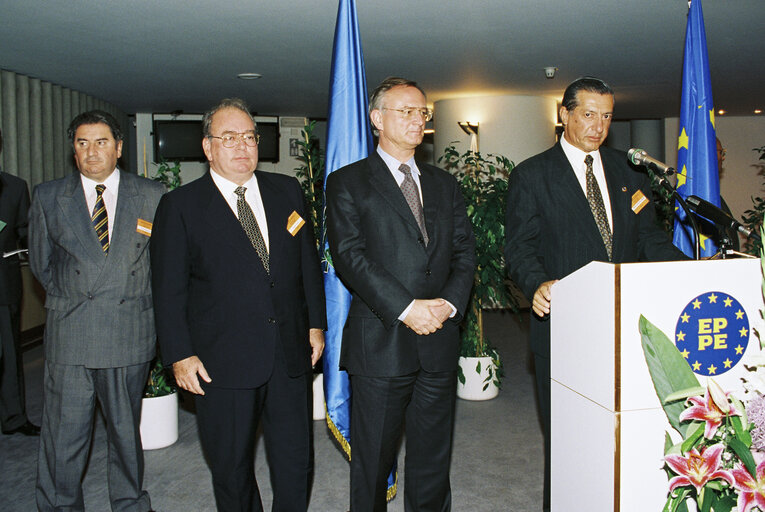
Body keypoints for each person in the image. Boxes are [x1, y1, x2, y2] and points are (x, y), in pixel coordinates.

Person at [504, 76, 687, 511]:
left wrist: (689, 274)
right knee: (568, 438)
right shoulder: (532, 175)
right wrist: (537, 284)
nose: (598, 126)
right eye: (588, 115)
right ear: (563, 114)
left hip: (624, 326)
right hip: (565, 325)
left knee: (621, 433)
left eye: (606, 116)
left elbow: (650, 239)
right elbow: (519, 249)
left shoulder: (629, 170)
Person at [150, 98, 326, 512]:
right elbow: (167, 290)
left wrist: (315, 324)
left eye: (249, 137)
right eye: (229, 138)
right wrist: (179, 354)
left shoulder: (287, 191)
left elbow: (306, 265)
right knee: (230, 467)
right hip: (220, 361)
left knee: (296, 460)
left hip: (288, 353)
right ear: (208, 147)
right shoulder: (180, 206)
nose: (242, 146)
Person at [325, 77, 476, 511]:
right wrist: (408, 308)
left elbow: (465, 252)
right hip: (381, 344)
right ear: (377, 119)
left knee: (432, 460)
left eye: (422, 112)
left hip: (440, 340)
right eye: (406, 111)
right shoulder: (347, 182)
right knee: (372, 462)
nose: (418, 120)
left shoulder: (445, 184)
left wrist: (447, 304)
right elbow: (350, 257)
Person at [28, 110, 164, 511]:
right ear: (73, 150)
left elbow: (163, 266)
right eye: (82, 143)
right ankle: (59, 505)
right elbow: (42, 265)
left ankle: (129, 504)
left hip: (129, 332)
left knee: (125, 436)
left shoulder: (152, 195)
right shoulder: (49, 197)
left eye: (101, 142)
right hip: (71, 334)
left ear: (119, 148)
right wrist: (73, 296)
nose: (91, 152)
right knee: (63, 437)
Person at [0, 128, 37, 436]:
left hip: (3, 285)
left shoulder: (14, 187)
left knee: (10, 355)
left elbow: (27, 232)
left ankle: (14, 417)